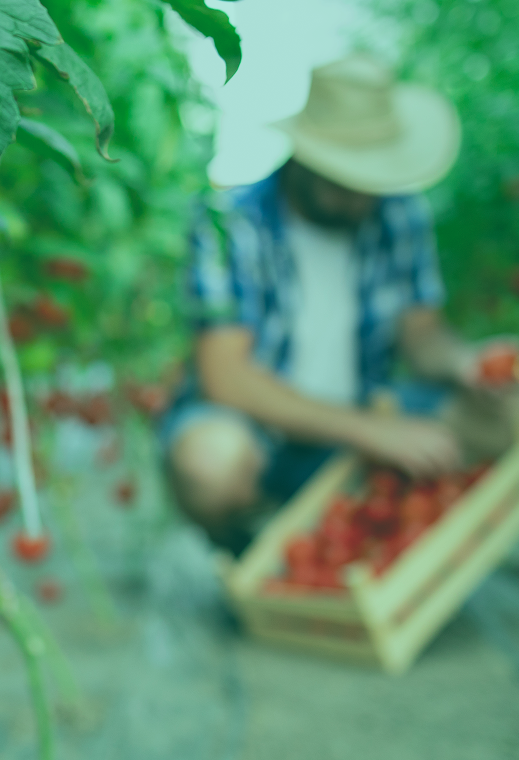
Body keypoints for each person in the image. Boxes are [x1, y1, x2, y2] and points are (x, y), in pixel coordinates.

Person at [161, 54, 500, 553]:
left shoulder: (398, 215)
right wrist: (375, 432)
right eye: (344, 178)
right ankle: (250, 545)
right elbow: (225, 377)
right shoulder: (227, 222)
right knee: (209, 462)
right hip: (266, 435)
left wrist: (465, 362)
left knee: (507, 411)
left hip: (367, 414)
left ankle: (378, 532)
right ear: (304, 156)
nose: (361, 196)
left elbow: (422, 335)